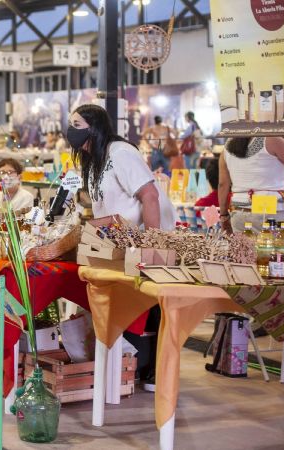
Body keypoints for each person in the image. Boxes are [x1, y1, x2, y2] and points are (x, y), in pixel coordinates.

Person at [69, 104, 177, 391]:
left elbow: (150, 195)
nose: (71, 130)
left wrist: (152, 242)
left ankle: (152, 368)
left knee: (150, 297)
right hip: (118, 240)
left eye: (77, 124)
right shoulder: (95, 159)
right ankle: (127, 363)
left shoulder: (121, 153)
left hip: (144, 236)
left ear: (94, 127)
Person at [219, 136, 284, 233]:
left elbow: (223, 184)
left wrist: (224, 216)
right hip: (270, 210)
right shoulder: (273, 139)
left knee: (244, 248)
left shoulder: (227, 146)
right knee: (277, 246)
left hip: (239, 210)